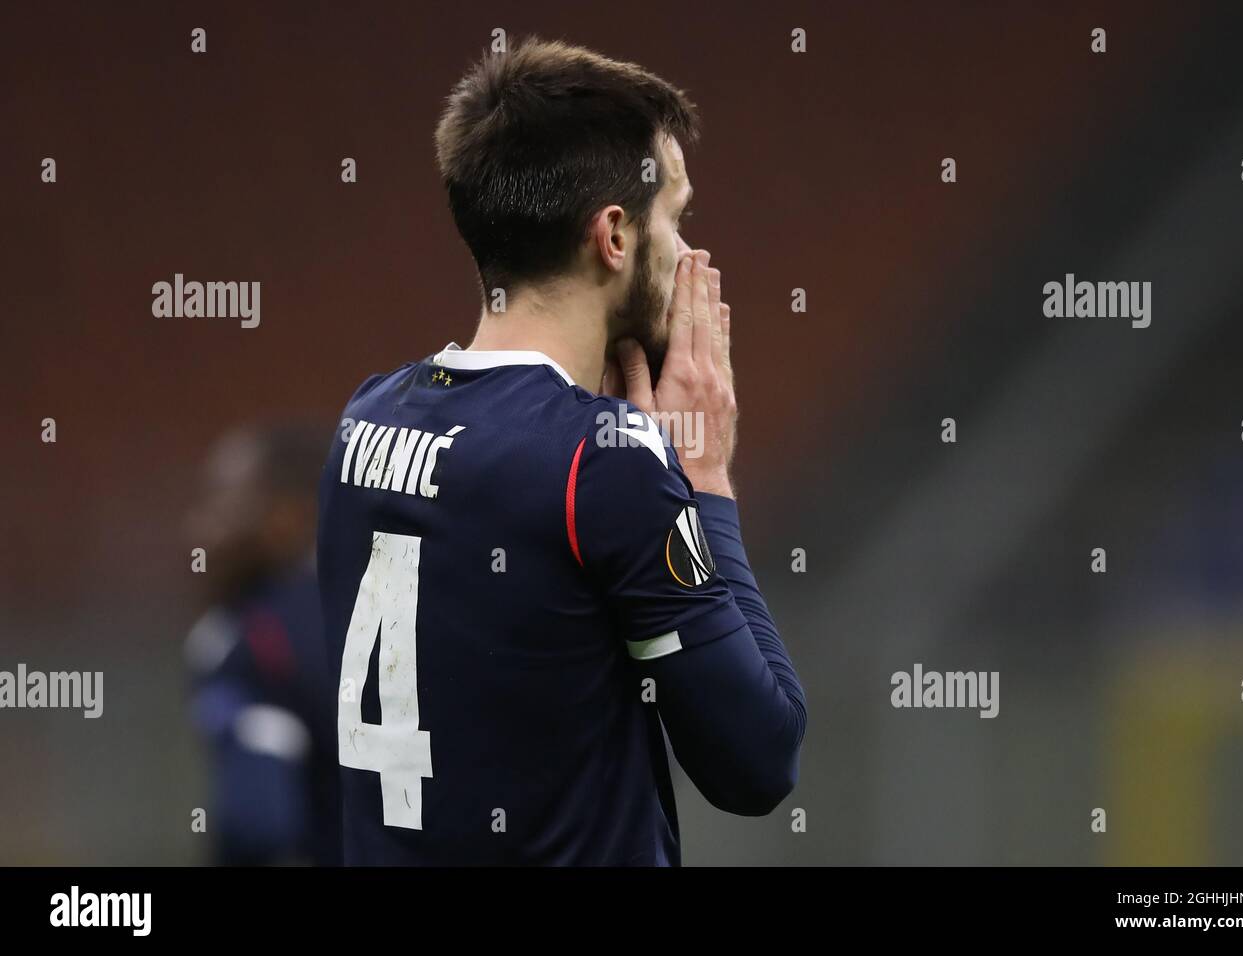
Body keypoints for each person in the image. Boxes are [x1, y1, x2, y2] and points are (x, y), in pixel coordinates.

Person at [316, 37, 806, 865]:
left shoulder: (364, 420)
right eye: (675, 219)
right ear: (613, 236)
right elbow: (759, 760)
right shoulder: (605, 465)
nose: (690, 258)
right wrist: (706, 480)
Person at [185, 424, 341, 865]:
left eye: (223, 502)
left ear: (287, 516)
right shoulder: (384, 610)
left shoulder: (249, 637)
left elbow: (257, 823)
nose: (200, 525)